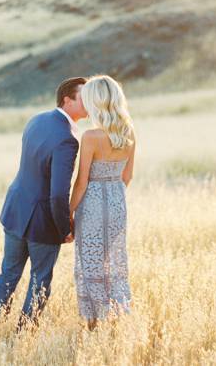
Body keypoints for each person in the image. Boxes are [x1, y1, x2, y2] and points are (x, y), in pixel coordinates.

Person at [0, 77, 88, 332]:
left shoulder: (36, 119)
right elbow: (57, 194)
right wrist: (64, 227)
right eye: (83, 99)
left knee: (8, 274)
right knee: (40, 281)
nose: (89, 104)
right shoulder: (68, 138)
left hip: (15, 210)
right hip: (42, 220)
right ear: (67, 100)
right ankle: (24, 335)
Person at [69, 74, 136, 330]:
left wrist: (69, 213)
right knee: (115, 264)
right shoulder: (129, 132)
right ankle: (119, 320)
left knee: (91, 266)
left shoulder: (91, 137)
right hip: (118, 204)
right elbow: (127, 176)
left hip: (93, 207)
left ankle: (95, 325)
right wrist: (113, 196)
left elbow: (82, 182)